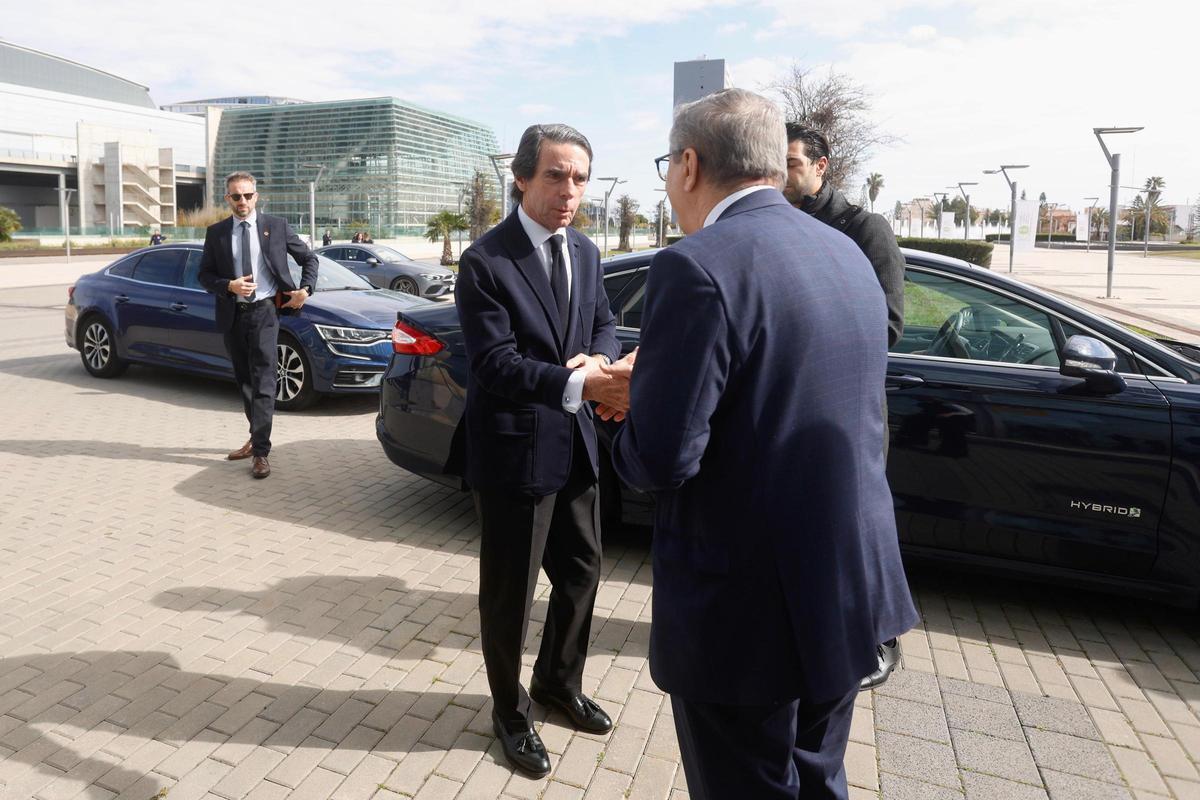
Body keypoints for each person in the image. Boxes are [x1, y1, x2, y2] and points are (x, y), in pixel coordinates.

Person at [607, 89, 917, 799]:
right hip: (848, 586)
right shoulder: (848, 252)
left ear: (688, 164)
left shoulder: (696, 265)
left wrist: (625, 407)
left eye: (666, 165)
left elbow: (662, 457)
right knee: (818, 777)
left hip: (748, 612)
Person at [450, 123, 625, 778]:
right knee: (510, 595)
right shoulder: (486, 262)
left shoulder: (584, 250)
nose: (570, 189)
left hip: (575, 440)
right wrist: (584, 381)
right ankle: (510, 711)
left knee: (583, 569)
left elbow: (602, 319)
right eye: (556, 174)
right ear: (521, 177)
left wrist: (602, 355)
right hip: (514, 452)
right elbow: (495, 364)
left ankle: (557, 682)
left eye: (579, 176)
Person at [783, 122, 906, 689]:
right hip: (788, 408)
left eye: (792, 162)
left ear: (821, 165)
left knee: (857, 523)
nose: (783, 173)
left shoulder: (863, 228)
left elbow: (888, 326)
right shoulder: (775, 226)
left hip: (848, 410)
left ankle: (876, 638)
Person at [197, 171, 318, 479]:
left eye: (247, 195)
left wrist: (305, 290)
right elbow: (204, 276)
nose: (242, 201)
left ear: (256, 196)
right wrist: (229, 286)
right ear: (228, 199)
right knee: (245, 381)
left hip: (265, 313)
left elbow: (310, 259)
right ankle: (255, 438)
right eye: (236, 196)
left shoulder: (275, 227)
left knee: (265, 381)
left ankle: (261, 453)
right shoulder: (217, 233)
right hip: (233, 314)